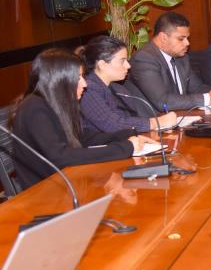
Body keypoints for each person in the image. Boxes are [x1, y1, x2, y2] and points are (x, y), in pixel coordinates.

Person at [11, 48, 156, 189]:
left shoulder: (55, 103)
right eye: (78, 78)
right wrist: (125, 148)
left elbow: (81, 137)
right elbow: (61, 157)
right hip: (45, 191)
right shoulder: (34, 108)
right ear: (60, 80)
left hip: (69, 181)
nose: (85, 84)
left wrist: (126, 135)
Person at [127, 12, 211, 113]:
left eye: (187, 38)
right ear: (163, 37)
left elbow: (197, 88)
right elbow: (163, 102)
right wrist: (208, 98)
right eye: (181, 39)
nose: (187, 43)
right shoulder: (143, 59)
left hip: (181, 117)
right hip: (153, 121)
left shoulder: (182, 58)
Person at [79, 35, 177, 133]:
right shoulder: (87, 90)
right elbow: (112, 125)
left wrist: (159, 127)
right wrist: (156, 123)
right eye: (122, 61)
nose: (128, 65)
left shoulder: (118, 89)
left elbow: (129, 120)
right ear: (102, 65)